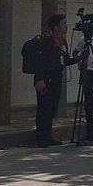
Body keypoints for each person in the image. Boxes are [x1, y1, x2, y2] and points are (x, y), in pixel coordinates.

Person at [33, 14, 77, 147]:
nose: (66, 26)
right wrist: (39, 79)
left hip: (57, 80)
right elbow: (39, 63)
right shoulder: (45, 42)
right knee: (43, 110)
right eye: (63, 23)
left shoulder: (63, 42)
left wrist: (79, 58)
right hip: (46, 81)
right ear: (56, 27)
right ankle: (41, 137)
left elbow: (66, 60)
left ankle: (48, 135)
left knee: (52, 109)